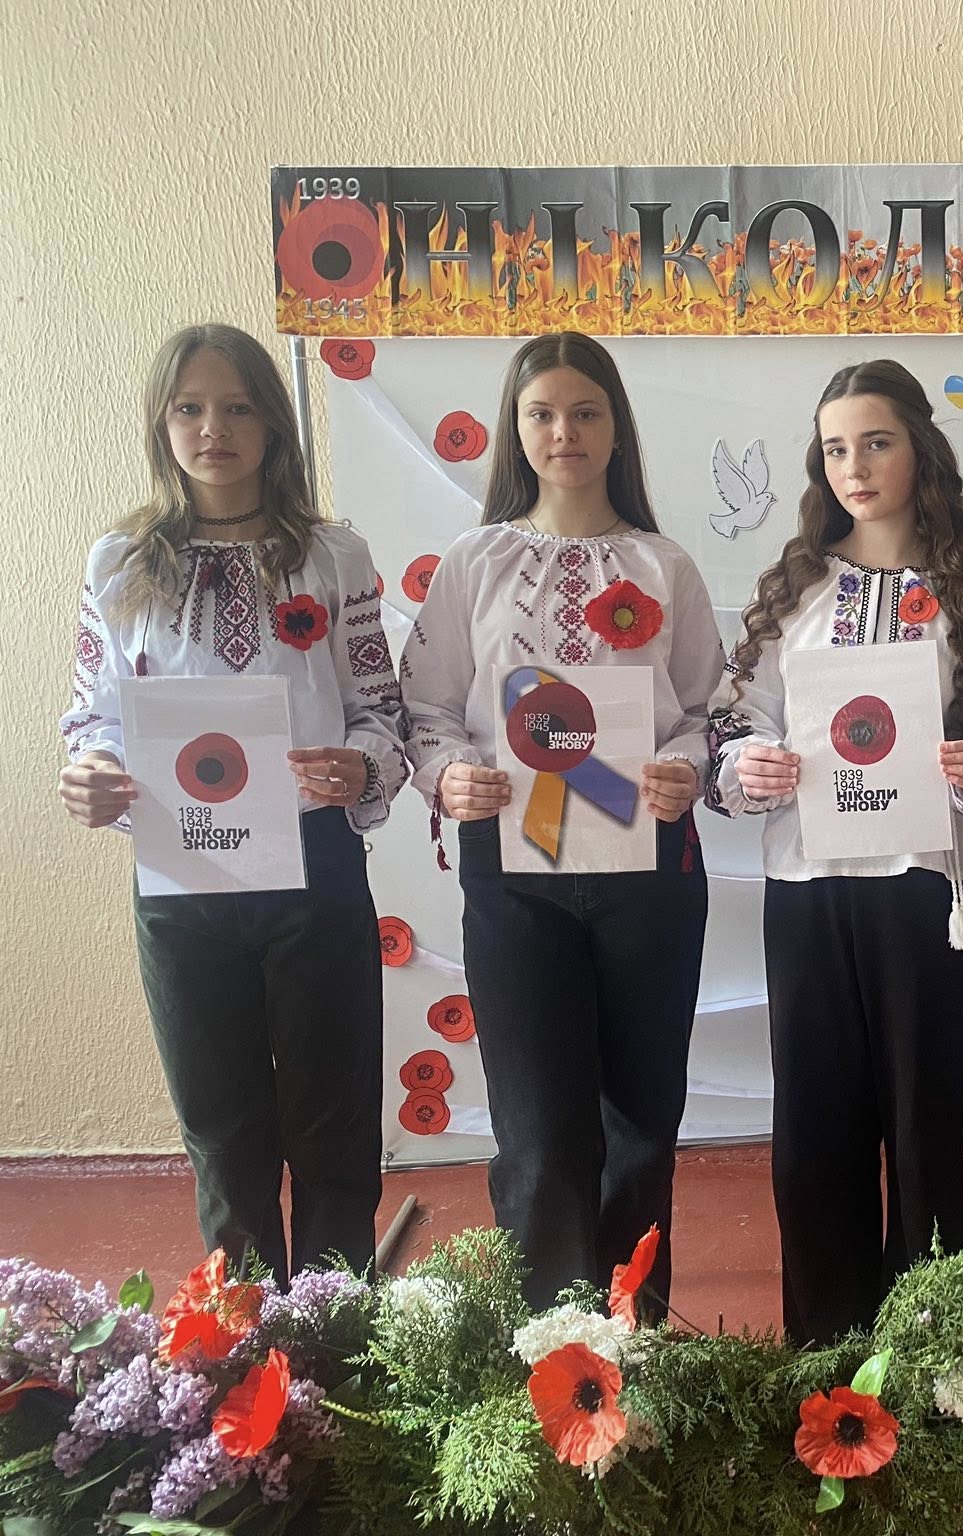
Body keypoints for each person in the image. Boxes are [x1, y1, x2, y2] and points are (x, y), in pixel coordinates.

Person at [58, 322, 406, 1280]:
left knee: (333, 1122)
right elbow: (92, 716)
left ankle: (336, 1332)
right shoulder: (120, 564)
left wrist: (361, 768)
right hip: (183, 874)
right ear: (161, 423)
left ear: (274, 423)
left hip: (314, 866)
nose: (214, 429)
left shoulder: (333, 556)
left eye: (238, 406)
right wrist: (92, 771)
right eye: (190, 408)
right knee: (221, 1126)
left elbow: (380, 708)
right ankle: (247, 1343)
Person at [706, 360, 963, 1343]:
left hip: (929, 892)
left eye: (876, 442)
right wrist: (750, 762)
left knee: (925, 1132)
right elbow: (732, 724)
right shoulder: (794, 590)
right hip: (809, 889)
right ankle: (826, 1357)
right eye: (836, 448)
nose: (854, 466)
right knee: (815, 1131)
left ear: (919, 450)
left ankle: (932, 1357)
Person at [399, 332, 722, 1311]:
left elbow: (706, 712)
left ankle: (635, 1342)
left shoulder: (663, 565)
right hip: (515, 874)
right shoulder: (475, 562)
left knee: (640, 1129)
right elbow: (427, 709)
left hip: (648, 871)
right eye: (541, 414)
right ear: (515, 429)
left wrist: (686, 769)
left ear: (616, 428)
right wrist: (450, 776)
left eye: (585, 412)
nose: (564, 432)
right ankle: (547, 1348)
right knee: (538, 1135)